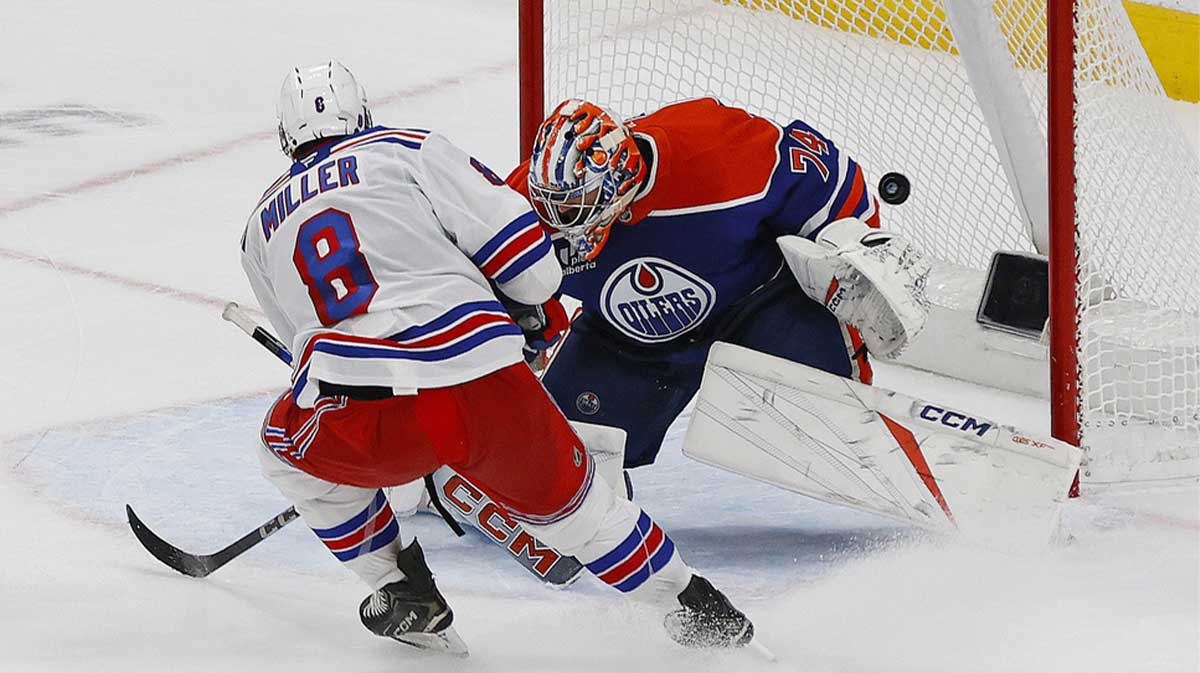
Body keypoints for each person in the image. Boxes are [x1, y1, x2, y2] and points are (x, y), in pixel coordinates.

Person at [238, 62, 755, 656]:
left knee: (287, 457)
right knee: (582, 515)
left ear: (286, 140)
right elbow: (534, 275)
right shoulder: (410, 149)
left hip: (362, 408)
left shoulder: (257, 229)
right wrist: (517, 313)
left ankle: (400, 588)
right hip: (478, 384)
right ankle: (705, 617)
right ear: (362, 117)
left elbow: (302, 347)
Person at [506, 97, 930, 478]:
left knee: (842, 430)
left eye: (575, 207)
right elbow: (487, 288)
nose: (561, 220)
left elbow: (831, 183)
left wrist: (851, 244)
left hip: (758, 308)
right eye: (550, 203)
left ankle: (928, 474)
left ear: (622, 180)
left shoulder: (716, 149)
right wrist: (524, 321)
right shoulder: (519, 205)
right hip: (625, 340)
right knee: (552, 463)